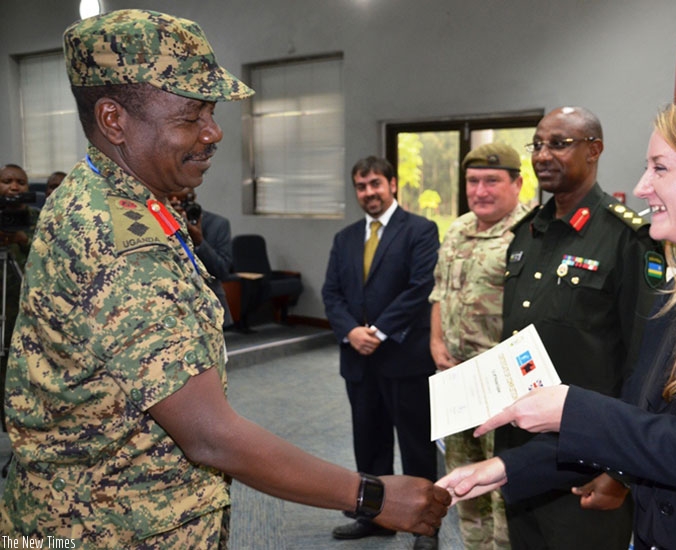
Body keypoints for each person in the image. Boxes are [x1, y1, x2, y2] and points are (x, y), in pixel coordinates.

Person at [0, 10, 448, 548]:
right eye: (191, 116)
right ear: (114, 120)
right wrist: (373, 496)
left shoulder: (105, 193)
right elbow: (210, 436)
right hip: (107, 526)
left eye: (211, 112)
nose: (213, 133)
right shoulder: (119, 239)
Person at [437, 93, 676, 550]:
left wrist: (571, 409)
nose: (641, 187)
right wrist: (507, 469)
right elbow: (638, 422)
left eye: (661, 168)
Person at [493, 106, 665, 550]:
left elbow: (645, 363)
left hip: (587, 455)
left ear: (594, 150)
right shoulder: (525, 233)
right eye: (538, 144)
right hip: (520, 448)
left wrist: (621, 469)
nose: (543, 155)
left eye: (559, 143)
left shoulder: (627, 239)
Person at [322, 156, 441, 550]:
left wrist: (379, 330)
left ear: (392, 184)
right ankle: (375, 518)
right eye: (361, 186)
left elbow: (420, 287)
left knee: (416, 447)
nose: (368, 192)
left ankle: (426, 527)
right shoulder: (345, 238)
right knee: (368, 443)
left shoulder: (421, 230)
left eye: (375, 183)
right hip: (358, 359)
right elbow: (332, 294)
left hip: (405, 357)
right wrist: (351, 331)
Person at [429, 142, 529, 550]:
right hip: (456, 378)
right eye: (473, 181)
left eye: (492, 180)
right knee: (463, 478)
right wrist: (435, 342)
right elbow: (439, 294)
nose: (481, 190)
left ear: (517, 184)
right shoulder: (458, 229)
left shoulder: (529, 233)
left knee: (505, 482)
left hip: (503, 384)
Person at [0, 164, 39, 435]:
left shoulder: (39, 218)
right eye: (6, 181)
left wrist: (24, 240)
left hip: (29, 315)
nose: (14, 187)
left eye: (21, 182)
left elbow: (50, 262)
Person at [169, 190, 234, 328]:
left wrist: (199, 241)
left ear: (193, 197)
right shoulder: (155, 224)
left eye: (182, 199)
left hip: (210, 311)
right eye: (172, 198)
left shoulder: (218, 224)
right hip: (173, 311)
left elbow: (222, 271)